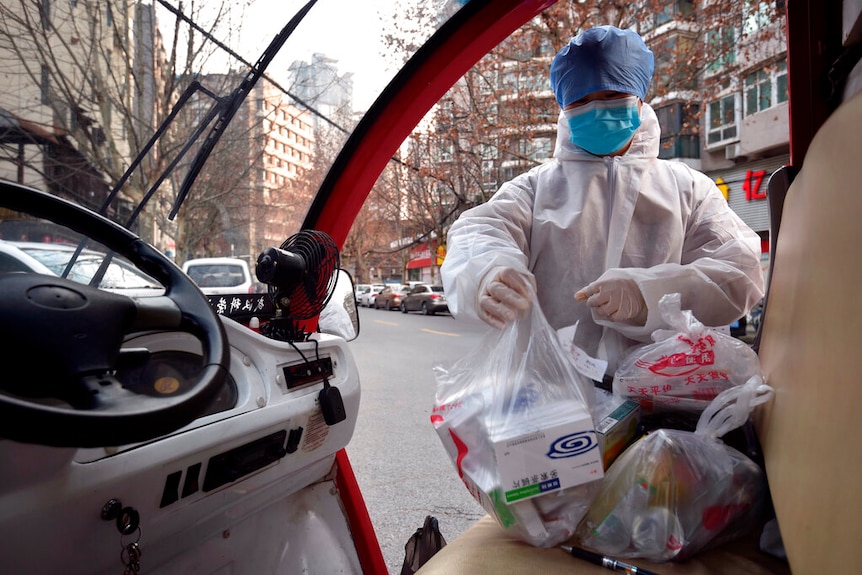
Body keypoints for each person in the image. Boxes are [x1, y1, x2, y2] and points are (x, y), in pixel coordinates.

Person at [440, 25, 765, 378]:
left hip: (663, 392)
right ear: (563, 109)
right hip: (554, 396)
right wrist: (488, 270)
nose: (597, 108)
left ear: (640, 100)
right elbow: (479, 232)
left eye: (612, 95)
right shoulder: (534, 190)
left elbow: (740, 270)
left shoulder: (688, 189)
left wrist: (650, 294)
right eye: (580, 101)